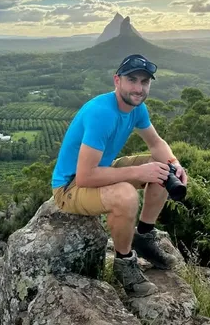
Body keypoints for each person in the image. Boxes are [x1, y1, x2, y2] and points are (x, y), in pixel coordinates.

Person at [52, 53, 188, 297]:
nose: (138, 88)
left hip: (100, 170)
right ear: (117, 80)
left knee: (163, 168)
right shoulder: (102, 113)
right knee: (126, 195)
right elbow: (84, 177)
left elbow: (156, 143)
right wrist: (138, 171)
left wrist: (174, 163)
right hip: (70, 187)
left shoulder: (137, 108)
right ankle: (124, 264)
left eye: (144, 82)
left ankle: (144, 236)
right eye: (132, 80)